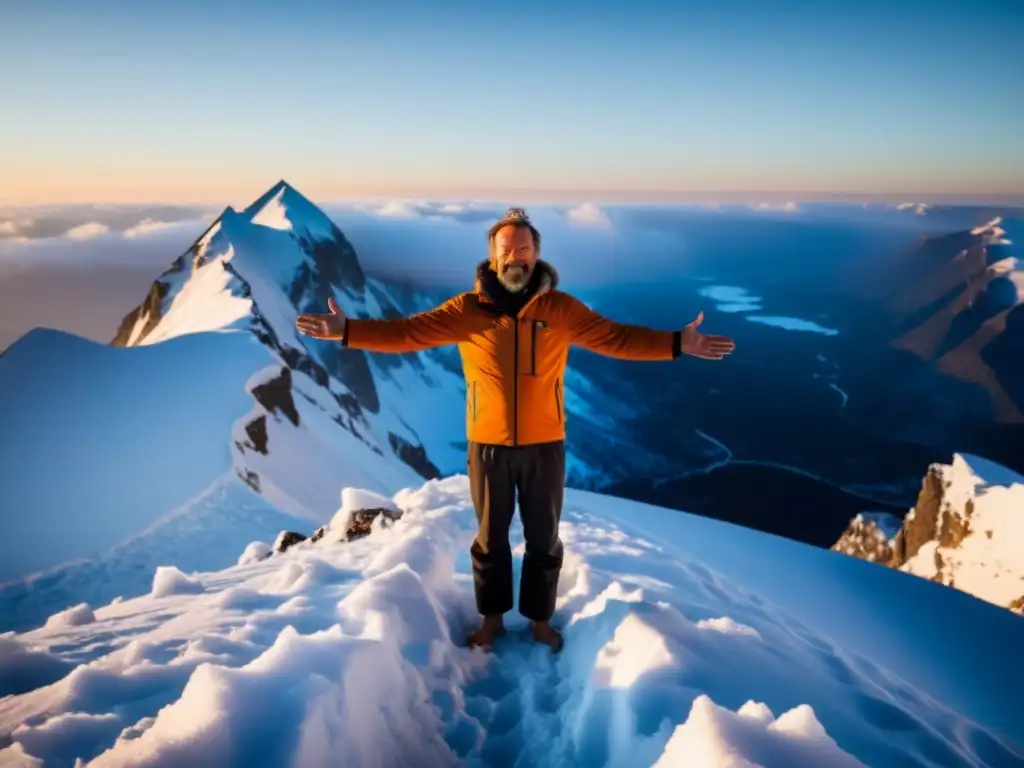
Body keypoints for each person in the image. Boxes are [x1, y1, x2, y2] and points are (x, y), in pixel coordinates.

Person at [296, 207, 736, 652]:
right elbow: (407, 333)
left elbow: (616, 338)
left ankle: (540, 621)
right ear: (492, 257)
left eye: (524, 248)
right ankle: (492, 620)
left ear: (536, 255)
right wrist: (348, 331)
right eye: (507, 249)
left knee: (544, 538)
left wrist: (679, 343)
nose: (516, 256)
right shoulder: (467, 310)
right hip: (487, 446)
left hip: (546, 445)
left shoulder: (559, 309)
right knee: (490, 540)